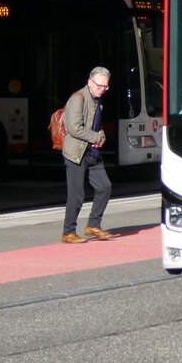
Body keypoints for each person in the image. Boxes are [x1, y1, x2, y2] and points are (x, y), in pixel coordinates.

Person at [61, 67, 116, 243]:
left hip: (92, 152)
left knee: (105, 187)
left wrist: (102, 135)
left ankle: (93, 225)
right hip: (76, 152)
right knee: (76, 195)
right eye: (100, 86)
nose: (103, 90)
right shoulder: (78, 99)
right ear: (90, 83)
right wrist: (96, 137)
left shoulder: (97, 100)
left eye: (106, 87)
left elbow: (96, 124)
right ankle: (68, 232)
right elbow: (74, 128)